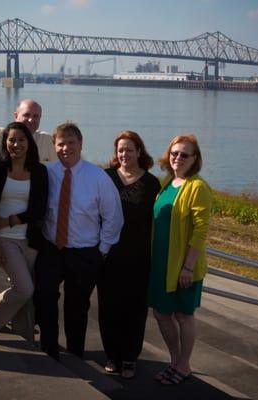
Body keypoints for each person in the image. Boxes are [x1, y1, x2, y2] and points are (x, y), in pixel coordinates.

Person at [35, 121, 123, 360]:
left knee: (77, 306)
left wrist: (101, 250)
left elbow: (113, 217)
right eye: (61, 144)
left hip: (84, 253)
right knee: (44, 297)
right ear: (54, 146)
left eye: (71, 143)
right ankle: (49, 349)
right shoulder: (47, 173)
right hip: (51, 248)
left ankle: (75, 353)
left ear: (80, 144)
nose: (66, 148)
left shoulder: (98, 177)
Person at [148, 134, 211, 385]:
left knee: (184, 316)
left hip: (184, 267)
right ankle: (174, 361)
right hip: (161, 264)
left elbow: (200, 231)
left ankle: (184, 366)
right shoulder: (167, 183)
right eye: (174, 153)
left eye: (185, 154)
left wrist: (188, 266)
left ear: (195, 159)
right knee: (161, 313)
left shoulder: (197, 187)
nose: (178, 158)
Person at [98, 130, 161, 379]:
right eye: (120, 150)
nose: (124, 154)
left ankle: (130, 358)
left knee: (134, 310)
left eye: (129, 149)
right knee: (108, 308)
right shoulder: (106, 178)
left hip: (139, 258)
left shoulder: (152, 183)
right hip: (108, 256)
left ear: (139, 152)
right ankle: (112, 355)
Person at [0, 122, 48, 342]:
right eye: (11, 140)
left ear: (29, 142)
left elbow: (39, 210)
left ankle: (24, 335)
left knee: (25, 290)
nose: (16, 144)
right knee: (25, 288)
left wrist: (9, 220)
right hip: (4, 239)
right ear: (5, 143)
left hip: (29, 239)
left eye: (21, 140)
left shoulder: (39, 171)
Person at [0, 99, 57, 163]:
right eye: (26, 115)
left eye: (35, 116)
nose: (31, 120)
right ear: (16, 116)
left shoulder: (47, 141)